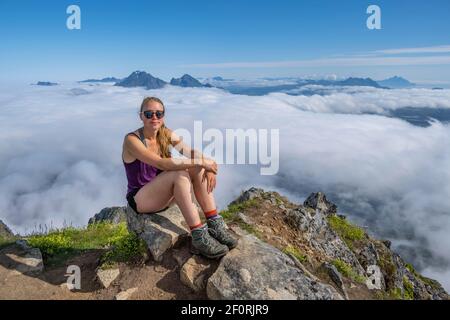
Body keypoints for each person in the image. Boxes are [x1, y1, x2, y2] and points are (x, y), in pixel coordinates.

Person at [122, 96, 237, 259]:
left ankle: (214, 224)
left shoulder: (164, 133)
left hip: (164, 195)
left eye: (159, 114)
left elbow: (190, 152)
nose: (154, 117)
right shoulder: (132, 140)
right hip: (141, 199)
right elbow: (162, 164)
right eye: (149, 114)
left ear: (163, 116)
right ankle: (199, 237)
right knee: (180, 173)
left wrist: (207, 165)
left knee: (196, 166)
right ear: (141, 116)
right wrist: (203, 162)